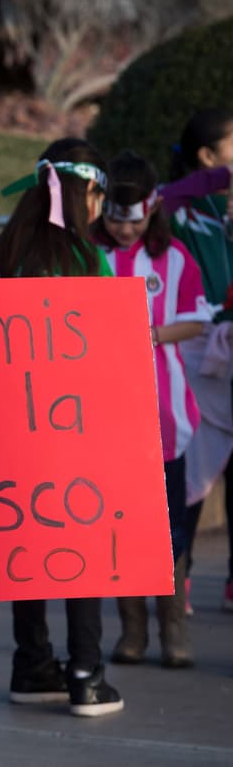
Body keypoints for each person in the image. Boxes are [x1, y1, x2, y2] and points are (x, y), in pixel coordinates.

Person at [0, 138, 124, 716]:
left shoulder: (2, 253)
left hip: (8, 429)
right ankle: (86, 672)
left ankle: (32, 663)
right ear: (87, 193)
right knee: (81, 543)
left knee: (26, 539)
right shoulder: (87, 259)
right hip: (75, 429)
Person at [91, 151, 207, 668]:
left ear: (153, 208)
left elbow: (197, 320)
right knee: (120, 523)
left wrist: (149, 333)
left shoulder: (175, 257)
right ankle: (132, 629)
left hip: (163, 413)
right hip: (103, 415)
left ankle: (173, 629)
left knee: (170, 525)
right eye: (116, 219)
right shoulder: (91, 253)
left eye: (134, 221)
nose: (124, 230)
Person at [166, 108, 233, 615]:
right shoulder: (180, 208)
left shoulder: (224, 212)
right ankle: (177, 576)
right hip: (195, 351)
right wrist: (217, 180)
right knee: (192, 470)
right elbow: (161, 200)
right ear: (208, 156)